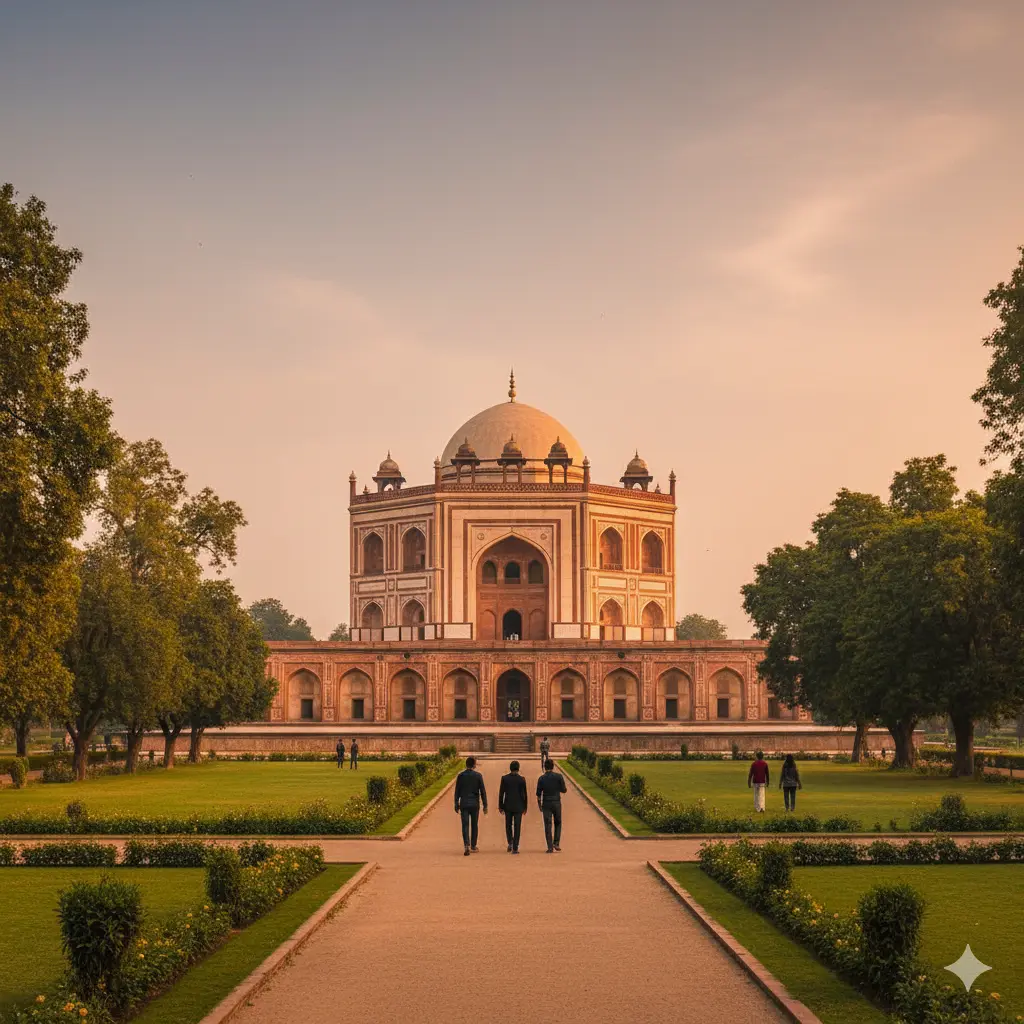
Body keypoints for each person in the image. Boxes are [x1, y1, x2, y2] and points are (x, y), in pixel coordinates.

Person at [454, 756, 488, 855]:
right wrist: (485, 805)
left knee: (465, 825)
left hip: (464, 803)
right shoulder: (478, 776)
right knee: (474, 825)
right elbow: (483, 791)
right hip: (474, 804)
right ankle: (473, 845)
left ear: (466, 764)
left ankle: (466, 845)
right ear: (474, 765)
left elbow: (457, 791)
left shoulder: (461, 776)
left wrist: (456, 803)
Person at [536, 759, 567, 852]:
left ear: (545, 767)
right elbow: (564, 790)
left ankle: (550, 846)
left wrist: (539, 805)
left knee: (547, 824)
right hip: (556, 802)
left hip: (546, 803)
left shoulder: (541, 778)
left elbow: (538, 794)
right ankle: (556, 843)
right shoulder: (559, 776)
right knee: (558, 822)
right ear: (553, 766)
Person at [498, 760, 528, 853]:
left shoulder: (505, 778)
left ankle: (510, 842)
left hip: (508, 805)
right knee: (517, 826)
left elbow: (501, 793)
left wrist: (500, 806)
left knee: (508, 825)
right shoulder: (522, 779)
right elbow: (524, 794)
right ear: (518, 768)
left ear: (510, 768)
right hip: (519, 806)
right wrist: (525, 807)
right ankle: (515, 847)